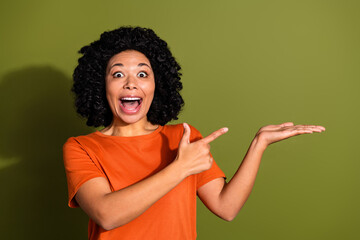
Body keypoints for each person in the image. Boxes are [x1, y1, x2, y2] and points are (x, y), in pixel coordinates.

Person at [63, 26, 325, 240]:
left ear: (157, 85)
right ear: (101, 85)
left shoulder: (183, 138)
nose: (131, 83)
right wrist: (181, 168)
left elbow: (227, 207)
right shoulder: (81, 147)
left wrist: (259, 144)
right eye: (118, 74)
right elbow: (106, 214)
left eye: (143, 74)